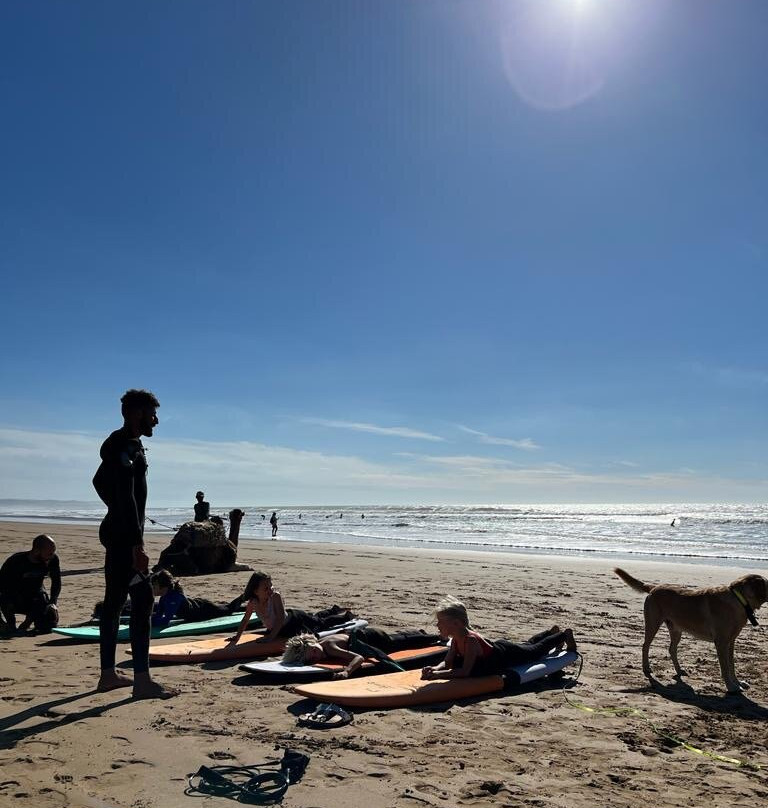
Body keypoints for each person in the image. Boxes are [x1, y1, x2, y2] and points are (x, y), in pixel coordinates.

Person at [92, 388, 174, 699]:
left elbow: (98, 482)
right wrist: (136, 546)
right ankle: (142, 681)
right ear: (138, 413)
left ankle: (108, 675)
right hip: (125, 538)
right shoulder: (125, 445)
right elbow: (126, 495)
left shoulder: (120, 443)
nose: (156, 420)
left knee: (113, 602)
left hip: (116, 533)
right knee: (143, 600)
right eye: (152, 414)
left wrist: (112, 510)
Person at [421, 596, 577, 680]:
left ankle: (564, 635)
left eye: (440, 622)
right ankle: (550, 633)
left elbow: (465, 671)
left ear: (456, 623)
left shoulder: (470, 640)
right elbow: (447, 662)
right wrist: (435, 668)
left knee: (535, 651)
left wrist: (437, 675)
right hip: (501, 648)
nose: (437, 625)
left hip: (507, 654)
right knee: (528, 644)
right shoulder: (456, 638)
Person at [227, 571, 354, 645]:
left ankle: (346, 617)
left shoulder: (275, 596)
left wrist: (271, 637)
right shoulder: (253, 602)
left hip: (295, 621)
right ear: (255, 591)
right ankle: (334, 609)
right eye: (266, 588)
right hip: (280, 629)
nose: (270, 590)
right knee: (315, 618)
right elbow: (245, 619)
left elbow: (280, 619)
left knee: (320, 623)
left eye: (271, 586)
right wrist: (237, 637)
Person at [283, 626, 442, 679]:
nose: (315, 656)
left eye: (314, 651)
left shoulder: (330, 647)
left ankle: (436, 637)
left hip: (373, 639)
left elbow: (358, 658)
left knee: (399, 644)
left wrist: (347, 671)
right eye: (311, 658)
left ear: (313, 643)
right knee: (399, 638)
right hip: (367, 635)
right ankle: (418, 633)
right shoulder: (320, 645)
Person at [0, 534, 61, 634]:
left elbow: (56, 582)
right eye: (49, 554)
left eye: (53, 553)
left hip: (35, 597)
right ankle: (10, 625)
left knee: (49, 621)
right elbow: (3, 587)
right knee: (5, 600)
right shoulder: (15, 561)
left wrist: (53, 602)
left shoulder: (52, 559)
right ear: (36, 551)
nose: (52, 556)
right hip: (12, 597)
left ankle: (27, 624)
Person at [150, 569, 233, 627]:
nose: (151, 589)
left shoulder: (174, 598)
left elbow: (165, 621)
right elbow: (158, 615)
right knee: (224, 607)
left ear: (164, 587)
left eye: (154, 587)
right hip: (197, 604)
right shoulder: (164, 598)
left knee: (229, 609)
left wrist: (148, 621)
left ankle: (240, 601)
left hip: (203, 610)